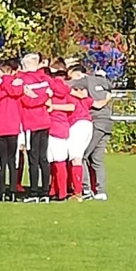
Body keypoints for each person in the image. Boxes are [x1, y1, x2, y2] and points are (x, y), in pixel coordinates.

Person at [18, 54, 53, 203]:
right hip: (44, 122)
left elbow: (28, 102)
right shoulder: (44, 80)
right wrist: (45, 97)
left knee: (33, 158)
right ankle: (44, 192)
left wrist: (37, 98)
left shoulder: (23, 80)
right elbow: (51, 94)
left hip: (31, 123)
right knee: (42, 158)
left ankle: (34, 193)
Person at [0, 59, 22, 201]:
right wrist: (7, 87)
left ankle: (1, 191)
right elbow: (16, 92)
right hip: (13, 127)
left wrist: (2, 85)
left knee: (1, 160)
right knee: (13, 160)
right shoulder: (16, 85)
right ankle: (12, 191)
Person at [81, 64, 114, 201]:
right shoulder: (107, 85)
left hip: (97, 123)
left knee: (82, 156)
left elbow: (97, 104)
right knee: (96, 159)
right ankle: (101, 191)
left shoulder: (88, 81)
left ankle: (86, 189)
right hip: (107, 124)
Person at [46, 72, 74, 201]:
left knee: (52, 162)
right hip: (62, 128)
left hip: (50, 127)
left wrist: (53, 107)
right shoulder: (66, 93)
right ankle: (60, 190)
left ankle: (55, 190)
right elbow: (71, 106)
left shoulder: (49, 92)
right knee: (60, 161)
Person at [67, 78, 95, 201]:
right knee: (78, 157)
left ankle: (77, 192)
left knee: (75, 158)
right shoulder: (85, 99)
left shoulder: (69, 96)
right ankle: (77, 189)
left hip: (77, 124)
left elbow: (70, 107)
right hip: (88, 124)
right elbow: (96, 103)